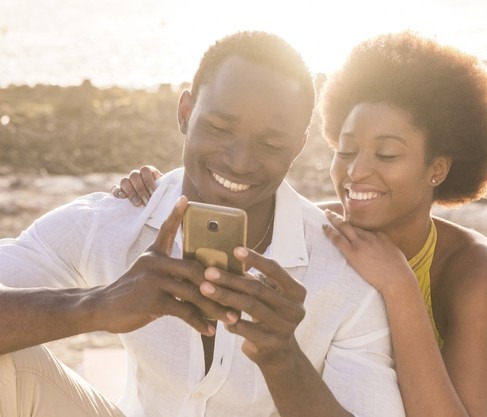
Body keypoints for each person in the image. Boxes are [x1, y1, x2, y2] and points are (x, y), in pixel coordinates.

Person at [116, 31, 487, 416]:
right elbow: (231, 200)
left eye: (386, 155)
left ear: (436, 168)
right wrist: (161, 187)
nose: (357, 172)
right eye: (346, 150)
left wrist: (399, 285)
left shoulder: (470, 266)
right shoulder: (316, 227)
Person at [0, 31, 405, 417]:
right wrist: (97, 305)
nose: (240, 161)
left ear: (298, 147)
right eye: (219, 128)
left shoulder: (345, 277)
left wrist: (283, 358)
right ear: (185, 113)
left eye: (270, 144)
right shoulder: (117, 221)